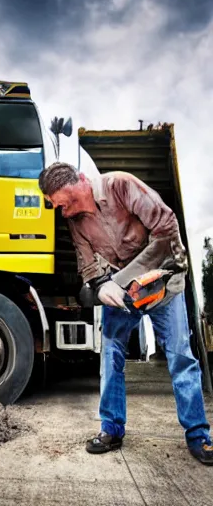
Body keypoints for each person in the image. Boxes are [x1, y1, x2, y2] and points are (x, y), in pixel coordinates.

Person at [38, 161, 213, 465]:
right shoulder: (74, 220)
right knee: (110, 355)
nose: (60, 210)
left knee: (180, 356)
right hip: (124, 295)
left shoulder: (120, 185)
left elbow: (165, 228)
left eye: (62, 201)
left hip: (163, 284)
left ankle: (199, 435)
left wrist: (116, 282)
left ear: (80, 181)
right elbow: (88, 264)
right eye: (57, 206)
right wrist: (100, 284)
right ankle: (112, 429)